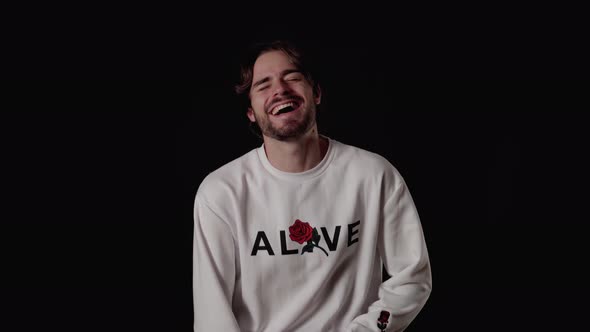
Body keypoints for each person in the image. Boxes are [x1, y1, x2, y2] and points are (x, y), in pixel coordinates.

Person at [193, 40, 432, 331]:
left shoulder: (373, 175)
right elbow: (212, 315)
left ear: (316, 93)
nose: (280, 90)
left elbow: (412, 277)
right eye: (263, 85)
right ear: (251, 113)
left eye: (292, 77)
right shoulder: (221, 192)